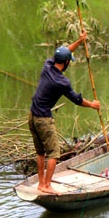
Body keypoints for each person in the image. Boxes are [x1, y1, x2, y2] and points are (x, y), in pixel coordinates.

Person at [29, 31, 100, 195]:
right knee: (54, 152)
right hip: (43, 119)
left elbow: (65, 52)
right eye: (69, 61)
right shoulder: (62, 82)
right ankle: (46, 186)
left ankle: (41, 183)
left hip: (32, 116)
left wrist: (79, 42)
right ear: (66, 62)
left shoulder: (47, 65)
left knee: (41, 152)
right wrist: (93, 105)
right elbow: (77, 100)